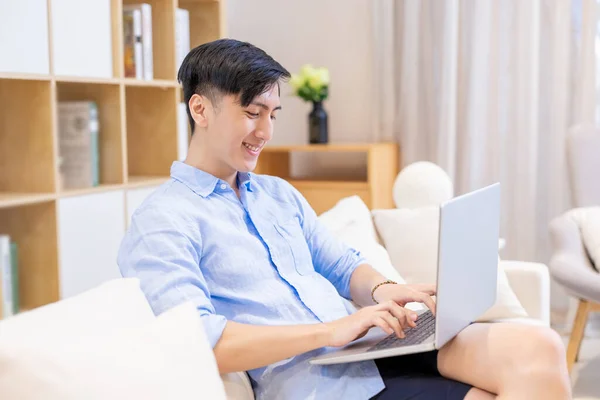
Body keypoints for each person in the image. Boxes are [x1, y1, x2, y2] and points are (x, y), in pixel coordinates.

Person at [117, 38, 572, 400]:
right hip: (319, 380)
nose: (266, 132)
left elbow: (339, 263)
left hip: (371, 345)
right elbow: (198, 341)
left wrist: (384, 289)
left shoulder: (277, 194)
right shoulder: (164, 220)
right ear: (200, 109)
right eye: (252, 113)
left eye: (272, 114)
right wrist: (331, 330)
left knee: (542, 346)